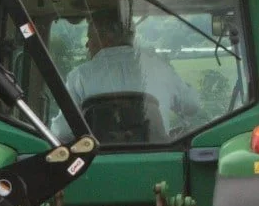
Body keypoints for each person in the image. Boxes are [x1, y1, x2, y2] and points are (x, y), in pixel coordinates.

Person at [62, 7, 205, 137]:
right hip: (157, 157)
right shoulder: (160, 67)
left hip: (97, 161)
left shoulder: (79, 76)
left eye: (90, 37)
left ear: (106, 39)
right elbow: (192, 106)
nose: (87, 44)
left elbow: (62, 131)